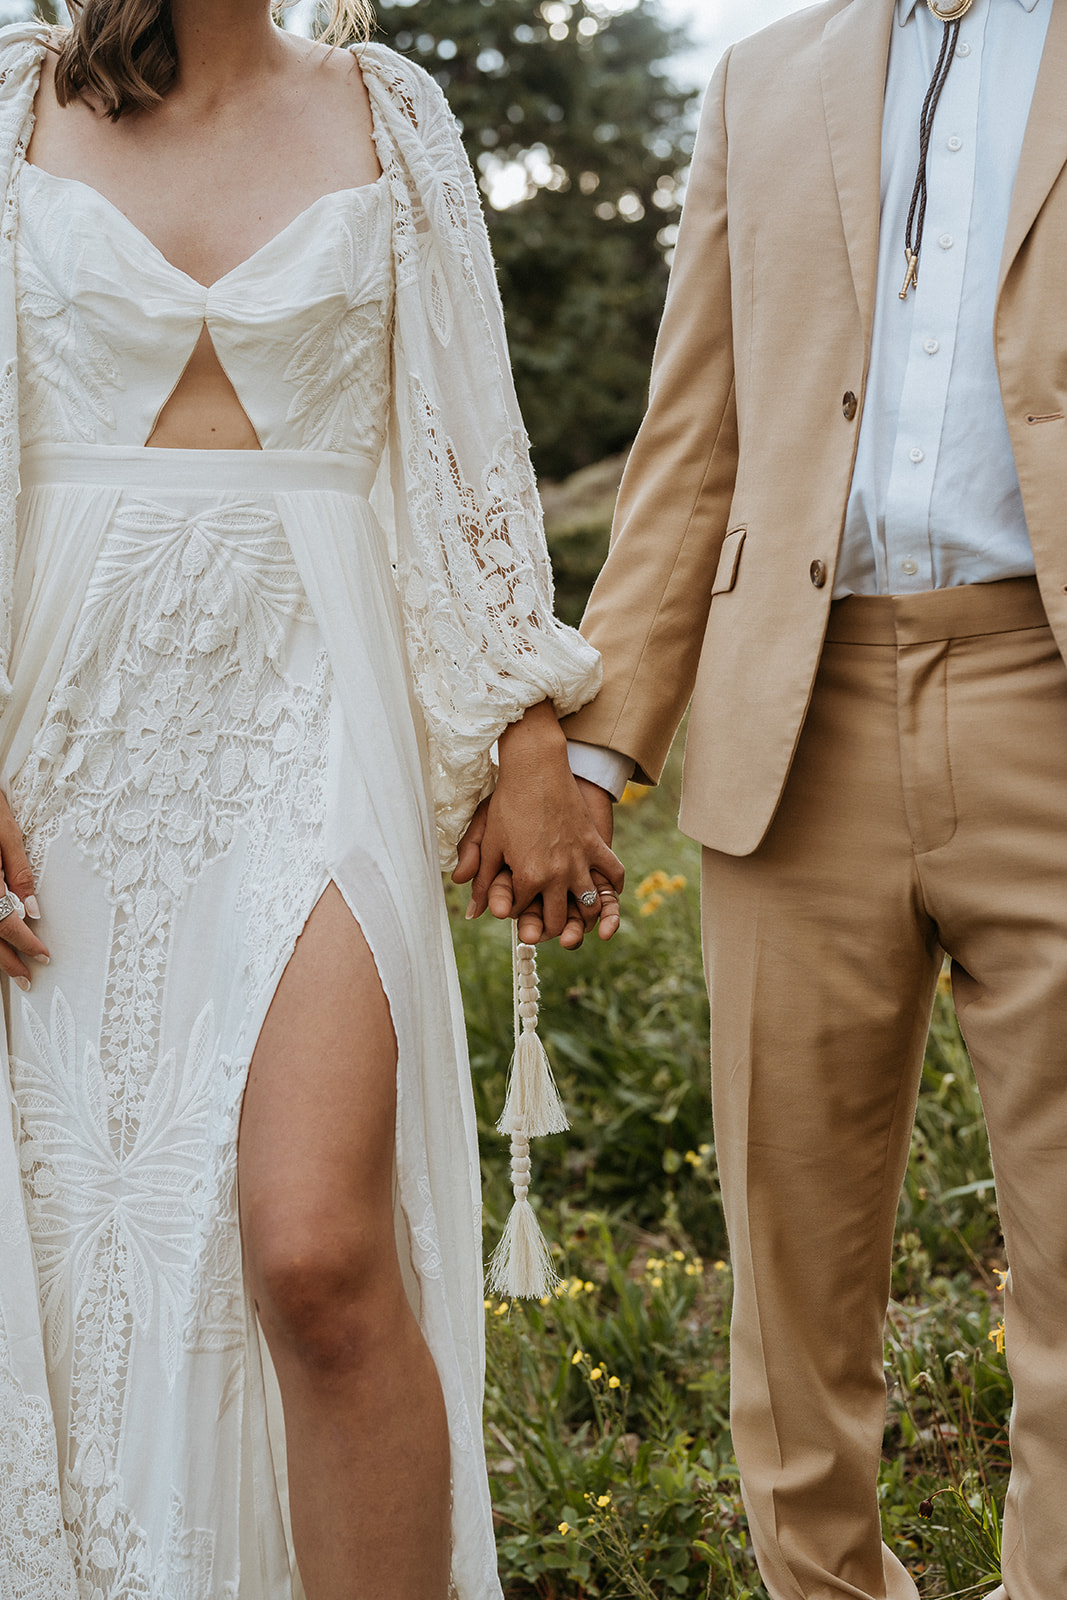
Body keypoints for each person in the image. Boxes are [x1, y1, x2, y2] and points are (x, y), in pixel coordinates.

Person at [0, 3, 623, 1597]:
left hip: (317, 711)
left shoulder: (388, 112)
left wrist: (533, 737)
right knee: (75, 1266)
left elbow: (470, 449)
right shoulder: (10, 99)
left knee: (315, 1251)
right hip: (58, 725)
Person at [558, 0, 1067, 1595]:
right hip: (798, 710)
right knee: (792, 1277)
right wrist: (596, 749)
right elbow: (690, 436)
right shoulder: (762, 79)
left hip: (1042, 678)